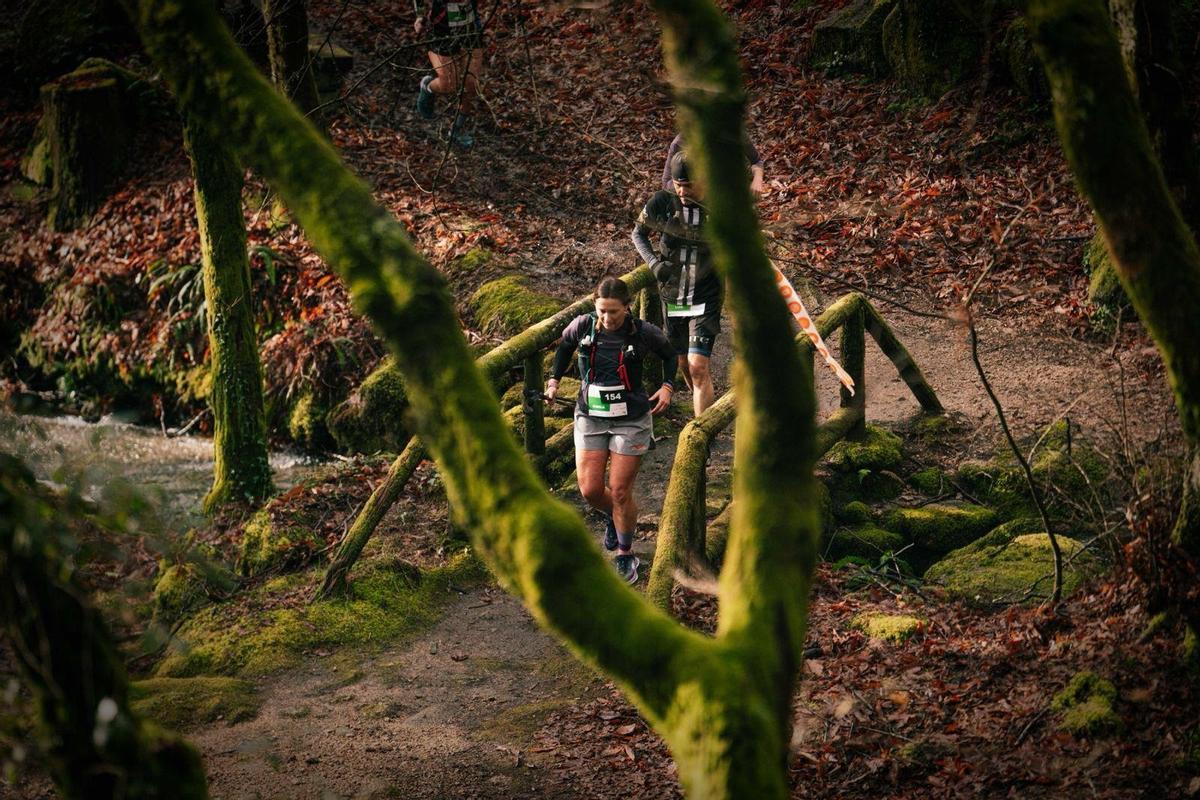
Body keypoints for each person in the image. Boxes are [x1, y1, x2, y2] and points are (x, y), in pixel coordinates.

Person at [546, 277, 678, 584]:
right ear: (595, 306)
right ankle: (615, 517)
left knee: (619, 491)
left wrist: (668, 387)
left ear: (627, 307)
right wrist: (553, 380)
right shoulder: (582, 326)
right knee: (590, 490)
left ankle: (625, 552)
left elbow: (670, 355)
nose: (607, 318)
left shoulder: (643, 332)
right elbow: (564, 346)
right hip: (591, 415)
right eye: (602, 311)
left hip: (631, 417)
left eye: (614, 312)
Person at [633, 151, 721, 416]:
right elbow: (638, 233)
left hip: (705, 295)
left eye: (689, 185)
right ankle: (706, 411)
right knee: (683, 361)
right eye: (678, 184)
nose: (682, 191)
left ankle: (701, 434)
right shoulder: (663, 201)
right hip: (673, 295)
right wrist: (653, 263)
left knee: (697, 365)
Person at [413, 0, 485, 148]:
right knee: (449, 84)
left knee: (471, 83)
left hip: (470, 30)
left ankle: (457, 129)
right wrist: (419, 16)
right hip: (441, 31)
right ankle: (428, 87)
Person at [661, 132, 765, 195]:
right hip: (692, 195)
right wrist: (687, 184)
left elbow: (756, 161)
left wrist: (757, 180)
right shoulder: (679, 143)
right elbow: (666, 184)